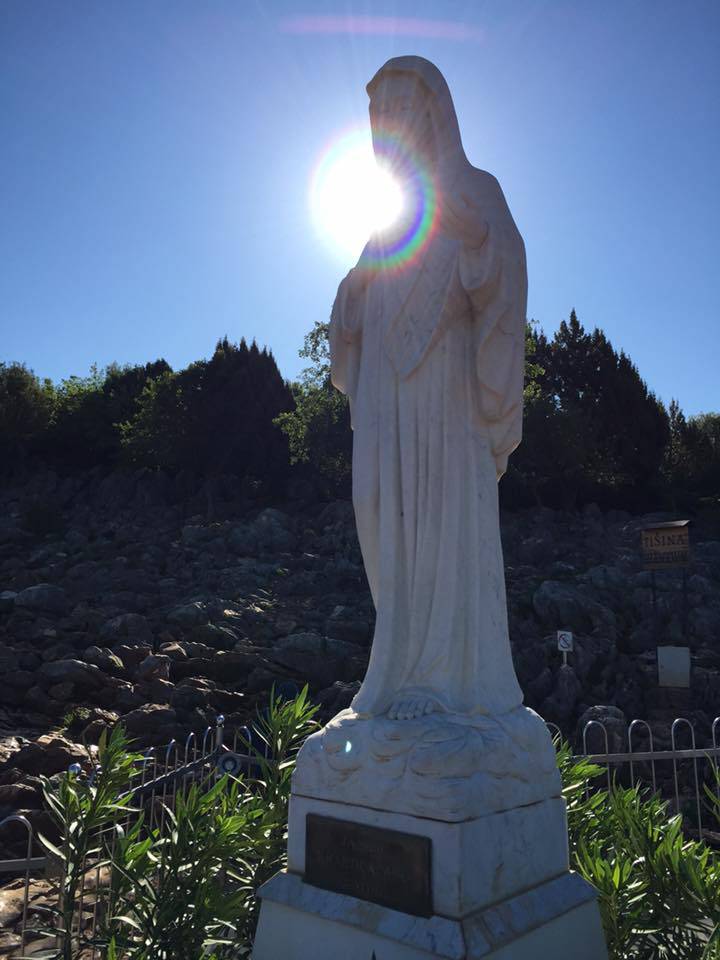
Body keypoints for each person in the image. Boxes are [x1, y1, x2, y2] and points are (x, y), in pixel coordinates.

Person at [329, 56, 527, 722]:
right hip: (386, 397)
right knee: (380, 511)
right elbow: (351, 307)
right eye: (376, 114)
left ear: (432, 114)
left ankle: (444, 680)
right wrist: (354, 293)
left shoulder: (475, 189)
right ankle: (395, 669)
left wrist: (477, 244)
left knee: (442, 521)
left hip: (447, 393)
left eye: (398, 109)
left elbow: (505, 273)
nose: (385, 124)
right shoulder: (385, 219)